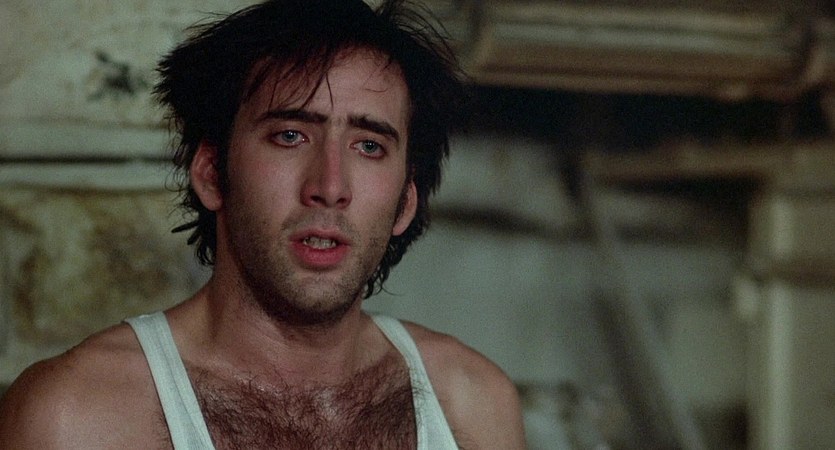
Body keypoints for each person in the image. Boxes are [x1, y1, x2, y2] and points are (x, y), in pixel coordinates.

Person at [0, 0, 526, 448]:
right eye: (290, 136)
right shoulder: (76, 418)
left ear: (405, 202)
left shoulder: (473, 404)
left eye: (369, 146)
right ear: (212, 173)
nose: (330, 185)